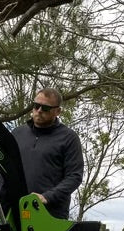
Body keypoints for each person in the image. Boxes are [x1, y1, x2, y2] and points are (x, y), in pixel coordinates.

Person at [9, 87, 84, 219]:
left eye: (45, 108)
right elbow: (4, 168)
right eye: (36, 105)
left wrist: (47, 197)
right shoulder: (17, 134)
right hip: (16, 211)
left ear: (57, 111)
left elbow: (74, 176)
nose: (39, 111)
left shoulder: (69, 138)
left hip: (51, 215)